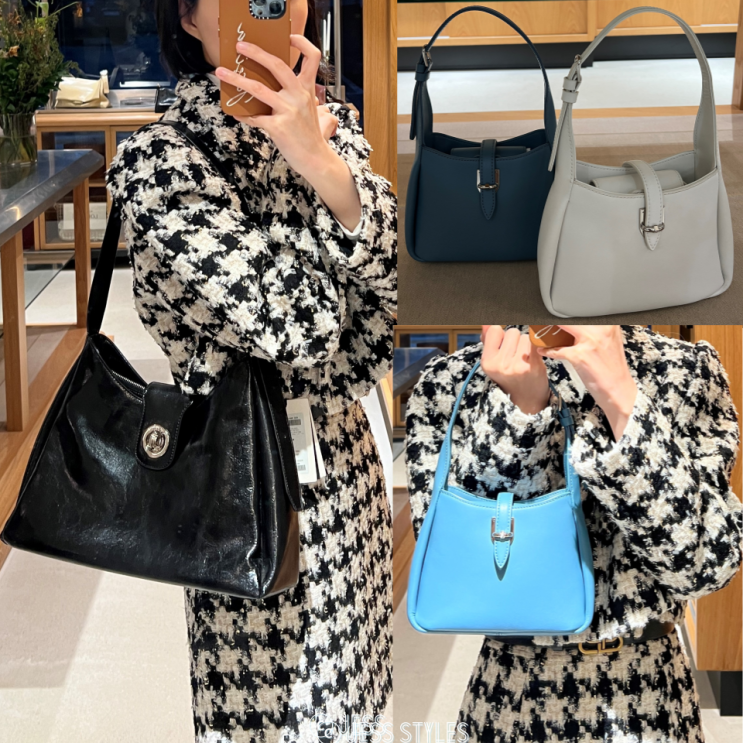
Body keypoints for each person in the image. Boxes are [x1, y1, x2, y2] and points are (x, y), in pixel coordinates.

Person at [104, 0, 396, 739]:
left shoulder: (334, 127)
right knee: (264, 719)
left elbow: (390, 300)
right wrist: (326, 178)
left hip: (347, 475)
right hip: (238, 485)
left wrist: (315, 154)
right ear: (188, 18)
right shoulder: (159, 164)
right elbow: (306, 325)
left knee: (358, 714)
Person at [406, 325, 742, 743]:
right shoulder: (454, 379)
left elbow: (705, 569)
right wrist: (523, 412)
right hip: (510, 696)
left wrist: (623, 399)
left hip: (653, 697)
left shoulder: (683, 368)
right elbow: (456, 564)